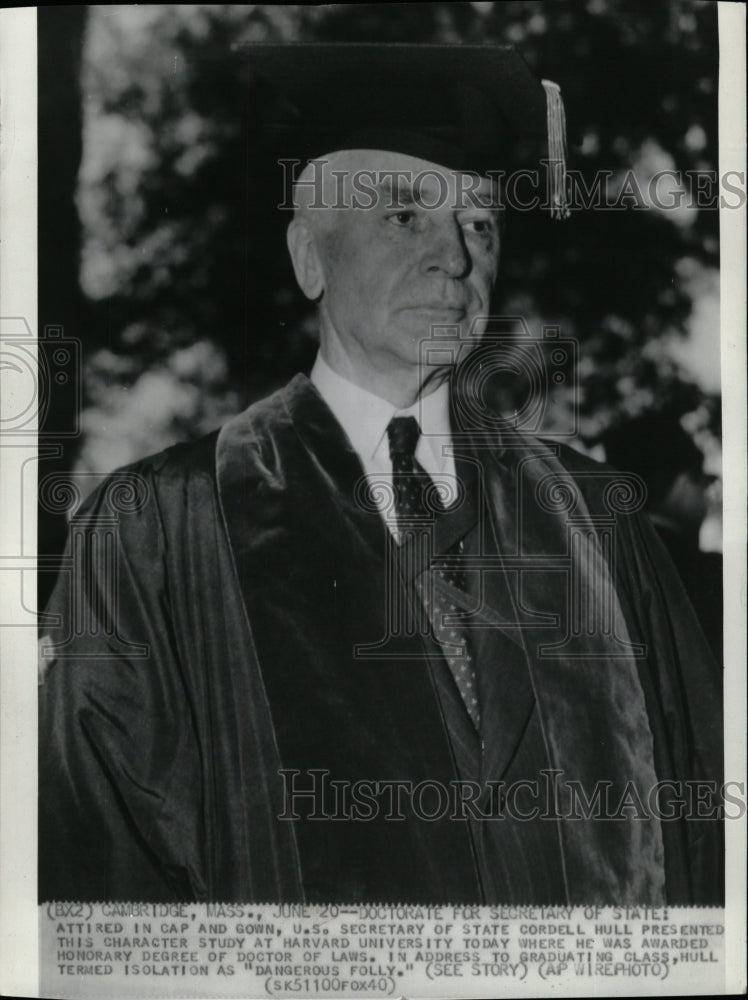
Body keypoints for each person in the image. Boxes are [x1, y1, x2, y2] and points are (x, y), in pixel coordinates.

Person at [38, 43, 723, 905]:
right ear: (309, 257)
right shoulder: (157, 526)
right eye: (404, 217)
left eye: (478, 222)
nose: (455, 259)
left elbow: (704, 845)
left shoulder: (597, 518)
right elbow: (100, 877)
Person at [602, 413, 723, 661]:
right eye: (704, 481)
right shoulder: (708, 573)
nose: (707, 498)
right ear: (682, 482)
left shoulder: (598, 563)